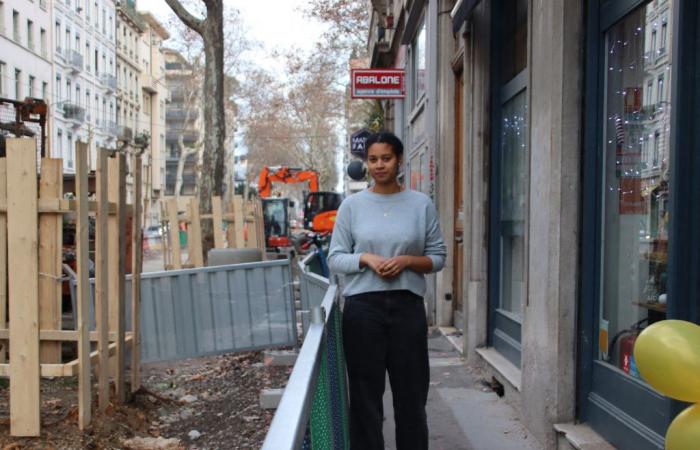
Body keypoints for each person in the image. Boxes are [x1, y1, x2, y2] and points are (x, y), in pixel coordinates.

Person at [327, 131, 447, 450]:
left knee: (411, 397)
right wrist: (365, 258)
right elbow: (335, 257)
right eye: (373, 159)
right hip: (362, 310)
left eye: (386, 158)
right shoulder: (351, 206)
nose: (380, 165)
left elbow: (438, 257)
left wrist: (408, 260)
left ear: (400, 161)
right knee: (365, 399)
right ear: (366, 163)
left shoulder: (421, 204)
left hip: (407, 308)